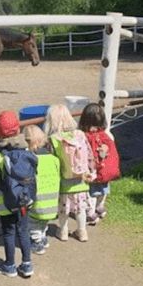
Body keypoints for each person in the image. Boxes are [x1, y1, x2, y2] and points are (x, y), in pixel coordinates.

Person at [0, 110, 35, 277]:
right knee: (23, 230)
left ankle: (10, 265)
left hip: (5, 202)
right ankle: (27, 264)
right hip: (24, 200)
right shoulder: (27, 151)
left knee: (8, 232)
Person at [44, 104, 96, 242]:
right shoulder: (80, 135)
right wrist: (90, 171)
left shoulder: (54, 138)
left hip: (64, 181)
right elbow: (90, 154)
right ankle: (82, 231)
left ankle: (63, 231)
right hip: (81, 180)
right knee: (80, 209)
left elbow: (51, 161)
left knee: (63, 209)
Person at [78, 103, 121, 224]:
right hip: (106, 169)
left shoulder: (84, 136)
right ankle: (100, 207)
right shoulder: (107, 135)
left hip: (92, 170)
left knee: (91, 192)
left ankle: (91, 213)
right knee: (103, 189)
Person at [23, 125, 60, 255]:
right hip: (53, 203)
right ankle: (43, 237)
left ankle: (37, 242)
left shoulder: (33, 161)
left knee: (32, 223)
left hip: (38, 203)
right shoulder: (54, 159)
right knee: (43, 221)